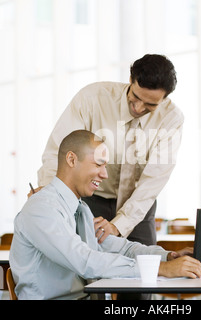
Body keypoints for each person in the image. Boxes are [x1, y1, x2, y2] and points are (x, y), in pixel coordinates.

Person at [10, 130, 201, 300]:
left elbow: (122, 249)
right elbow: (84, 260)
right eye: (98, 165)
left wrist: (168, 257)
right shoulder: (41, 208)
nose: (105, 175)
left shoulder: (81, 209)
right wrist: (162, 270)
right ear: (71, 160)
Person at [35, 54, 183, 247]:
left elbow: (154, 180)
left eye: (150, 104)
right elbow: (60, 151)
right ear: (130, 80)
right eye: (136, 97)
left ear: (164, 99)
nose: (138, 108)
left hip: (137, 203)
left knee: (145, 265)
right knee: (85, 264)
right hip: (91, 197)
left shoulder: (172, 119)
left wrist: (119, 225)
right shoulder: (92, 98)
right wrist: (50, 196)